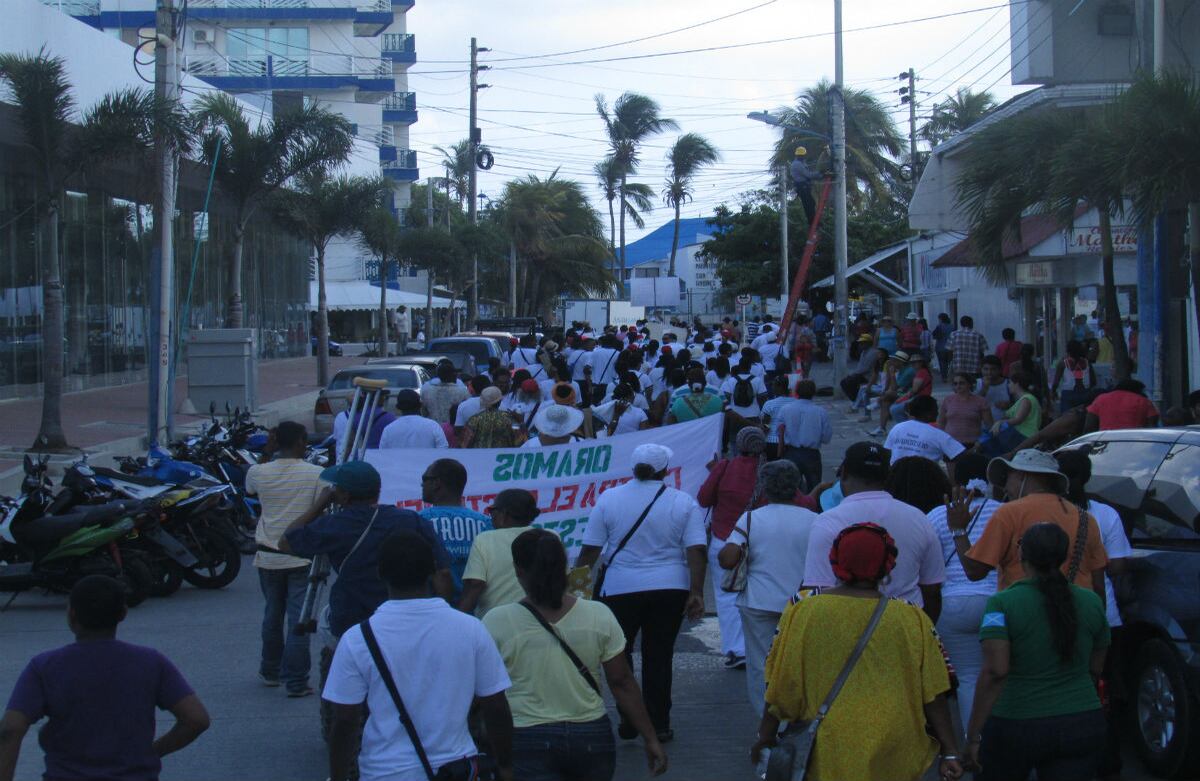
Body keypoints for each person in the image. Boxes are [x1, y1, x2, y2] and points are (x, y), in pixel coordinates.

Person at [751, 524, 963, 781]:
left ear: (835, 561)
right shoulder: (911, 617)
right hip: (894, 746)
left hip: (828, 745)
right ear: (888, 566)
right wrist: (950, 751)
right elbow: (934, 693)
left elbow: (783, 685)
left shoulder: (804, 612)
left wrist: (766, 736)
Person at [323, 531, 515, 781]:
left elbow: (345, 719)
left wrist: (338, 776)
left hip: (384, 772)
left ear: (380, 573)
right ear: (433, 572)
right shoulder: (471, 629)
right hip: (457, 769)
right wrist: (505, 765)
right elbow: (496, 705)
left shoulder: (357, 638)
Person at [278, 461, 453, 734]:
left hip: (352, 619)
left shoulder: (334, 524)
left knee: (334, 650)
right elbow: (442, 572)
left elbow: (287, 541)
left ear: (344, 495)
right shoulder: (410, 519)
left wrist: (321, 503)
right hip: (413, 619)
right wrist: (446, 613)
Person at [483, 530, 668, 781]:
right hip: (591, 735)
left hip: (528, 736)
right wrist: (650, 738)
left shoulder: (497, 621)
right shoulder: (599, 615)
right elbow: (621, 681)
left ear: (518, 571)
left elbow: (488, 693)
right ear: (565, 567)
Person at [0, 576, 210, 781]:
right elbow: (196, 719)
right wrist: (153, 752)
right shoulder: (151, 662)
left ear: (71, 615)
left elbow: (11, 729)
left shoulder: (44, 666)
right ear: (123, 614)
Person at [576, 444, 707, 743]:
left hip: (620, 587)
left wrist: (575, 591)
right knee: (658, 655)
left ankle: (630, 716)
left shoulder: (609, 498)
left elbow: (590, 550)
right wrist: (696, 591)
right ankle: (659, 723)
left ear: (633, 469)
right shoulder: (683, 501)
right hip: (670, 586)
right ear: (664, 470)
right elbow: (696, 549)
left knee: (618, 655)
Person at [965, 524, 1109, 781]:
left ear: (1022, 555)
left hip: (1015, 722)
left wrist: (974, 734)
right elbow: (1095, 666)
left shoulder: (1001, 604)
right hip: (1081, 721)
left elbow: (996, 670)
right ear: (1064, 557)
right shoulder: (1091, 602)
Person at [717, 460, 817, 718]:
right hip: (802, 604)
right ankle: (796, 718)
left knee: (761, 665)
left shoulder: (751, 519)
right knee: (800, 663)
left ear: (764, 487)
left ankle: (767, 724)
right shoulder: (815, 520)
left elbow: (727, 559)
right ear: (797, 487)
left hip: (758, 601)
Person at [801, 442, 945, 619]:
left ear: (844, 472)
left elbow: (818, 591)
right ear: (887, 476)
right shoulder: (918, 518)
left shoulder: (828, 521)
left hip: (848, 625)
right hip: (906, 625)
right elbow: (932, 590)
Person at [947, 450, 1108, 600]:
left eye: (1008, 477)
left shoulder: (1009, 513)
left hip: (1025, 617)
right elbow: (1099, 587)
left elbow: (974, 571)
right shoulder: (1085, 519)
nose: (1005, 488)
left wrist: (958, 529)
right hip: (1075, 618)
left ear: (1023, 476)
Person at [245, 421, 325, 696]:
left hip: (267, 557)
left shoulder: (258, 471)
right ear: (302, 441)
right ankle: (296, 681)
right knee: (298, 621)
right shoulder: (317, 474)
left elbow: (251, 489)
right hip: (300, 556)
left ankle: (270, 670)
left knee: (272, 615)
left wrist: (267, 452)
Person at [925, 453, 1001, 730]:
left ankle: (974, 743)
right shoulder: (1003, 511)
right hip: (995, 603)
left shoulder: (936, 514)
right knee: (999, 673)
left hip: (952, 604)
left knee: (968, 677)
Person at [697, 427, 771, 670]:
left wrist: (713, 472)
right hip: (761, 539)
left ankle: (736, 649)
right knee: (761, 594)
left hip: (725, 540)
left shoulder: (725, 467)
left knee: (727, 596)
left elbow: (704, 498)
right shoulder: (770, 471)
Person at [460, 489, 543, 616]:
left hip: (495, 621)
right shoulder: (550, 537)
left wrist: (459, 617)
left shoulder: (484, 540)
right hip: (541, 618)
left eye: (492, 511)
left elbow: (475, 584)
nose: (491, 516)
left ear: (503, 514)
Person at [419, 458, 491, 601]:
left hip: (434, 610)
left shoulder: (418, 522)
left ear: (436, 483)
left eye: (424, 479)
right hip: (476, 612)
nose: (421, 484)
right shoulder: (486, 523)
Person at [776, 379, 832, 491]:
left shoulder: (785, 409)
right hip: (811, 453)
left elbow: (780, 432)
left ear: (796, 391)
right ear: (814, 392)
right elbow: (826, 438)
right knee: (815, 488)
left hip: (791, 452)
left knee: (790, 489)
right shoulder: (821, 412)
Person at [885, 396, 965, 467]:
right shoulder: (937, 434)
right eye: (936, 410)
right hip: (924, 479)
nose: (937, 413)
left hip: (896, 477)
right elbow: (960, 455)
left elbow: (887, 452)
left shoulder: (897, 428)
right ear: (928, 414)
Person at [984, 369, 1041, 457]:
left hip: (1024, 436)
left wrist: (999, 423)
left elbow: (1018, 419)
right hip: (1019, 435)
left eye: (1010, 383)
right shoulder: (1021, 399)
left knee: (988, 443)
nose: (1008, 385)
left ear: (1017, 384)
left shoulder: (1027, 399)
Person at [379, 389, 449, 450]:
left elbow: (382, 453)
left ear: (399, 407)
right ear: (420, 405)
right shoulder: (433, 426)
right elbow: (443, 451)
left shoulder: (389, 429)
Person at [939, 372, 993, 448]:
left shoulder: (981, 401)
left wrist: (982, 441)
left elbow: (989, 425)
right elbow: (941, 423)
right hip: (950, 443)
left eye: (961, 383)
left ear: (969, 384)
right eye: (955, 383)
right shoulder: (948, 400)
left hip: (973, 444)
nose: (958, 386)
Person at [1084, 378, 1159, 431]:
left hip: (1106, 443)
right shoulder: (1144, 401)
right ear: (1138, 390)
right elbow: (1152, 427)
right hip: (1135, 443)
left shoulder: (1101, 399)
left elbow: (1089, 425)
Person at [1052, 340, 1096, 413]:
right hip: (1085, 393)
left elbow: (1056, 383)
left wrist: (1053, 392)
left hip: (1068, 394)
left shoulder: (1062, 364)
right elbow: (1093, 381)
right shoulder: (1087, 363)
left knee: (1067, 418)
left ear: (1068, 351)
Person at [759, 374, 796, 453]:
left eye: (774, 385)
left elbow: (765, 424)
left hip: (772, 441)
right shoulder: (795, 403)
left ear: (779, 387)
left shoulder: (769, 404)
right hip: (791, 442)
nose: (772, 388)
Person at [949, 315, 988, 382]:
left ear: (961, 324)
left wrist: (951, 362)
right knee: (974, 385)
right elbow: (982, 352)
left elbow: (949, 350)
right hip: (974, 366)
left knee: (961, 384)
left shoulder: (954, 334)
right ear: (971, 323)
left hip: (959, 366)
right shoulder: (978, 335)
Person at [975, 355, 1012, 425]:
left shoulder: (1009, 384)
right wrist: (984, 388)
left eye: (993, 369)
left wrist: (1009, 405)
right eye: (986, 369)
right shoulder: (976, 383)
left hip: (1004, 425)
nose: (989, 372)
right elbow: (972, 404)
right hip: (980, 426)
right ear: (981, 369)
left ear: (1000, 370)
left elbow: (1019, 403)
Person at [933, 312, 955, 382]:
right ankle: (950, 375)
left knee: (942, 363)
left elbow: (934, 335)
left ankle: (944, 377)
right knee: (950, 362)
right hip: (950, 347)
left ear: (941, 319)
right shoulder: (952, 326)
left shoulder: (939, 326)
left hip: (940, 347)